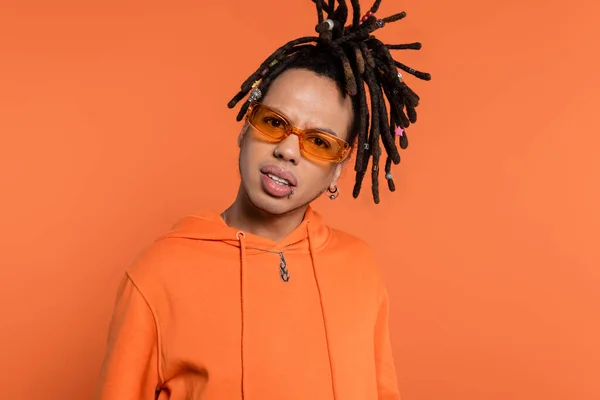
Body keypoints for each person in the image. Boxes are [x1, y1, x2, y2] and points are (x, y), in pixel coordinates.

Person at [95, 0, 430, 399]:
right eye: (274, 122)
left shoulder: (361, 269)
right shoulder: (157, 276)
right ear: (246, 125)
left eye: (319, 142)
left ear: (340, 167)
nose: (288, 151)